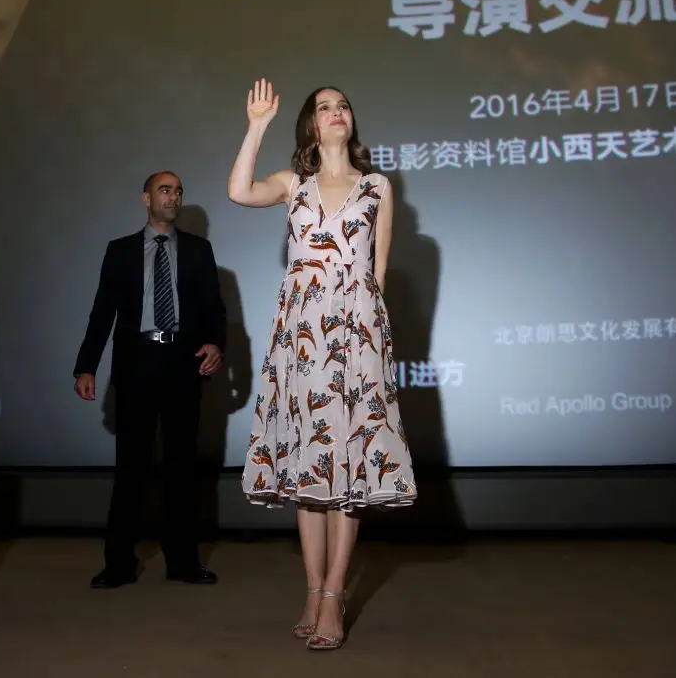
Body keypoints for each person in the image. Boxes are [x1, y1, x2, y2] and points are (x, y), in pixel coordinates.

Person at [228, 80, 418, 651]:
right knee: (309, 473)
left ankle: (335, 594)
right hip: (301, 337)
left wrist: (373, 347)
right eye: (324, 107)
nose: (336, 113)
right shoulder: (295, 185)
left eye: (343, 105)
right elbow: (239, 191)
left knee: (349, 471)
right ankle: (312, 590)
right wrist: (256, 126)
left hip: (356, 338)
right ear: (311, 125)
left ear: (352, 121)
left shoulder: (377, 187)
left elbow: (377, 276)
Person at [72, 171, 226, 588]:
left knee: (181, 468)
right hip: (136, 363)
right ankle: (118, 564)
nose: (173, 196)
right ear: (146, 198)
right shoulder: (120, 251)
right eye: (164, 190)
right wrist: (85, 366)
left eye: (178, 191)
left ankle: (183, 563)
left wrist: (215, 343)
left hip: (182, 363)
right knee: (131, 469)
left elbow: (215, 307)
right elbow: (102, 311)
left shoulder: (198, 250)